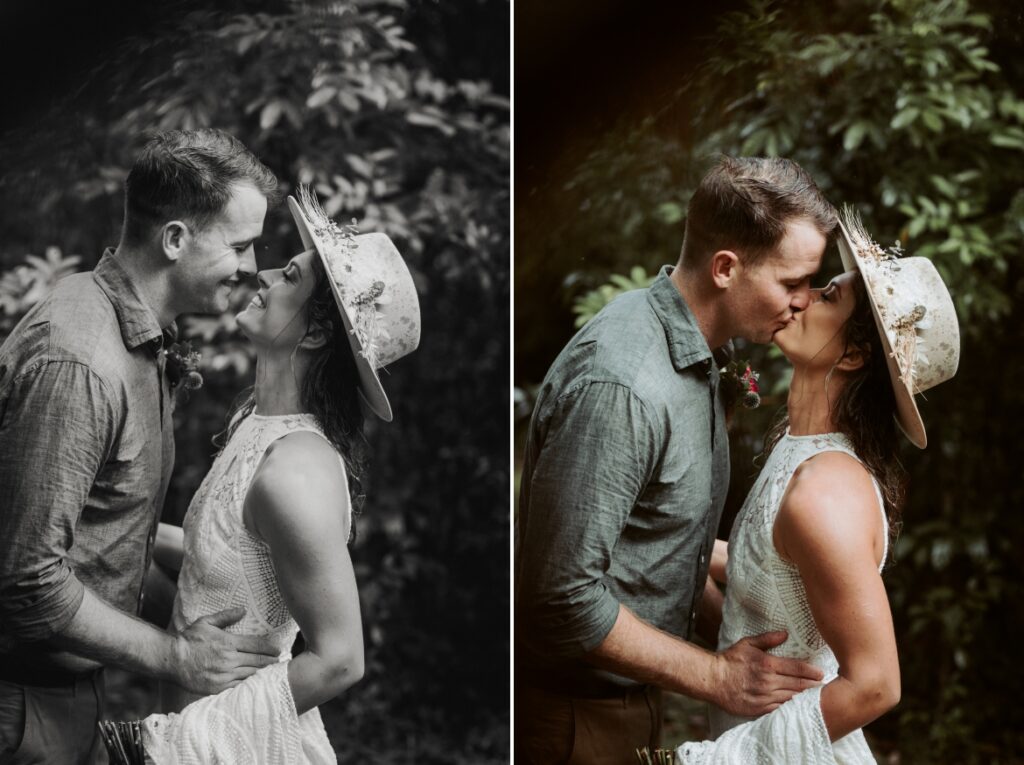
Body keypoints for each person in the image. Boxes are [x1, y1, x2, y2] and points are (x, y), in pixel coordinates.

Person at [515, 157, 837, 763]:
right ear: (725, 269)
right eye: (791, 282)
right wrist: (718, 678)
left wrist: (736, 633)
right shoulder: (624, 385)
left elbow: (658, 541)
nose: (803, 302)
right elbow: (559, 598)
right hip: (570, 720)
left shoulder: (695, 352)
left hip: (628, 704)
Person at [0, 128, 284, 764]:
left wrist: (221, 582)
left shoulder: (138, 334)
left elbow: (99, 518)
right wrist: (177, 657)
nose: (250, 266)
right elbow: (25, 580)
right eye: (239, 244)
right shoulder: (79, 362)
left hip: (68, 698)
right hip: (20, 709)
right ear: (176, 239)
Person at [115, 189, 421, 763]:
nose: (264, 274)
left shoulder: (294, 472)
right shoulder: (258, 426)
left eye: (289, 277)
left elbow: (340, 659)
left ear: (314, 334)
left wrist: (174, 745)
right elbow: (230, 558)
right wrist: (114, 534)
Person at [675, 209, 960, 763]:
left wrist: (720, 759)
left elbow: (877, 684)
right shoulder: (800, 455)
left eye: (826, 296)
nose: (801, 299)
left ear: (853, 355)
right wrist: (664, 550)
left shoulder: (822, 493)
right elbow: (770, 578)